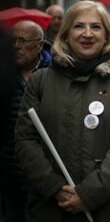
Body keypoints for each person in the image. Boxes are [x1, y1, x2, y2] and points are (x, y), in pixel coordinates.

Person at [14, 0, 110, 222]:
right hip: (49, 209)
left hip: (108, 210)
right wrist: (54, 188)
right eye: (79, 26)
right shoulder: (40, 81)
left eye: (96, 26)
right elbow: (25, 140)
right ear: (65, 34)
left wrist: (88, 194)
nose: (88, 34)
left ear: (106, 35)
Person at [0, 20, 50, 222]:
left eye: (23, 40)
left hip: (44, 175)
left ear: (39, 45)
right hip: (9, 172)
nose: (16, 46)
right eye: (13, 40)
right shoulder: (4, 73)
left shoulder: (55, 74)